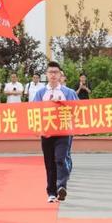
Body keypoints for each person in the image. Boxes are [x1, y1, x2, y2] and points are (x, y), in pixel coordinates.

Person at [33, 61, 78, 203]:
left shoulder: (68, 92)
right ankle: (51, 192)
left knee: (60, 158)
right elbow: (33, 111)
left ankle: (61, 186)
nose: (53, 75)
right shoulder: (41, 93)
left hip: (64, 132)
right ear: (46, 75)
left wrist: (63, 105)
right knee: (49, 162)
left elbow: (77, 109)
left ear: (60, 75)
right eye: (50, 72)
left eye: (55, 72)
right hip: (47, 132)